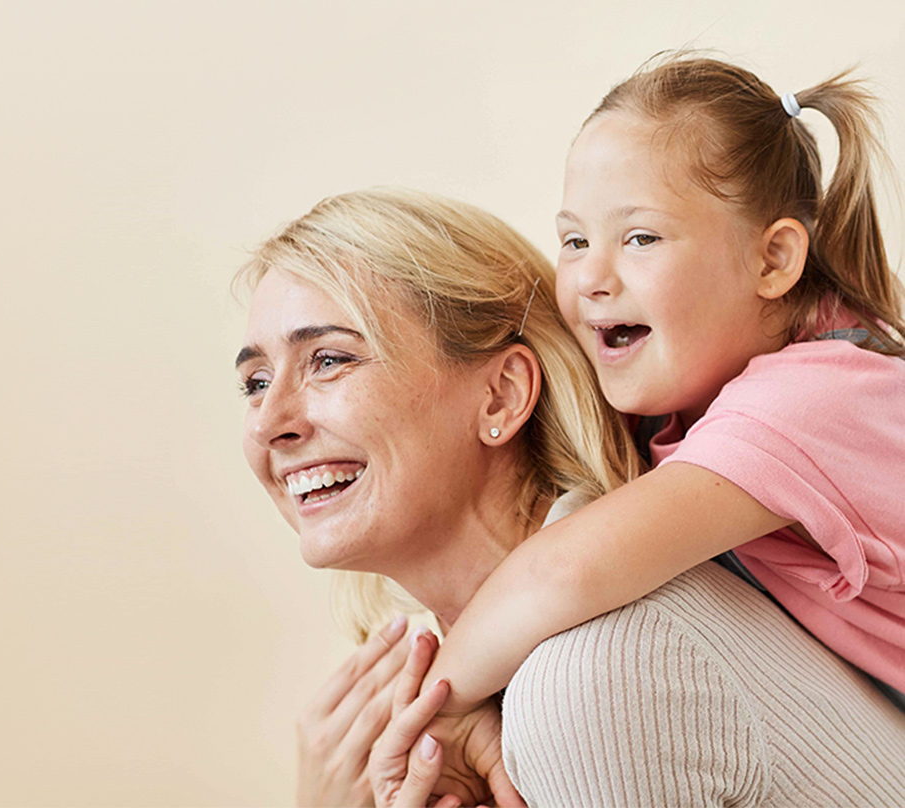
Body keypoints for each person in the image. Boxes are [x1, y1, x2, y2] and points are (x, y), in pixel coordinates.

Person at [237, 187, 905, 806]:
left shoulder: (591, 674)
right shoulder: (521, 693)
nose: (269, 422)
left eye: (329, 360)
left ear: (501, 395)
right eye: (256, 381)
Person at [400, 56, 905, 786]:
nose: (592, 276)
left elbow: (567, 568)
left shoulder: (818, 400)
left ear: (773, 261)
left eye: (641, 238)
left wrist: (440, 708)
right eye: (574, 240)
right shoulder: (690, 386)